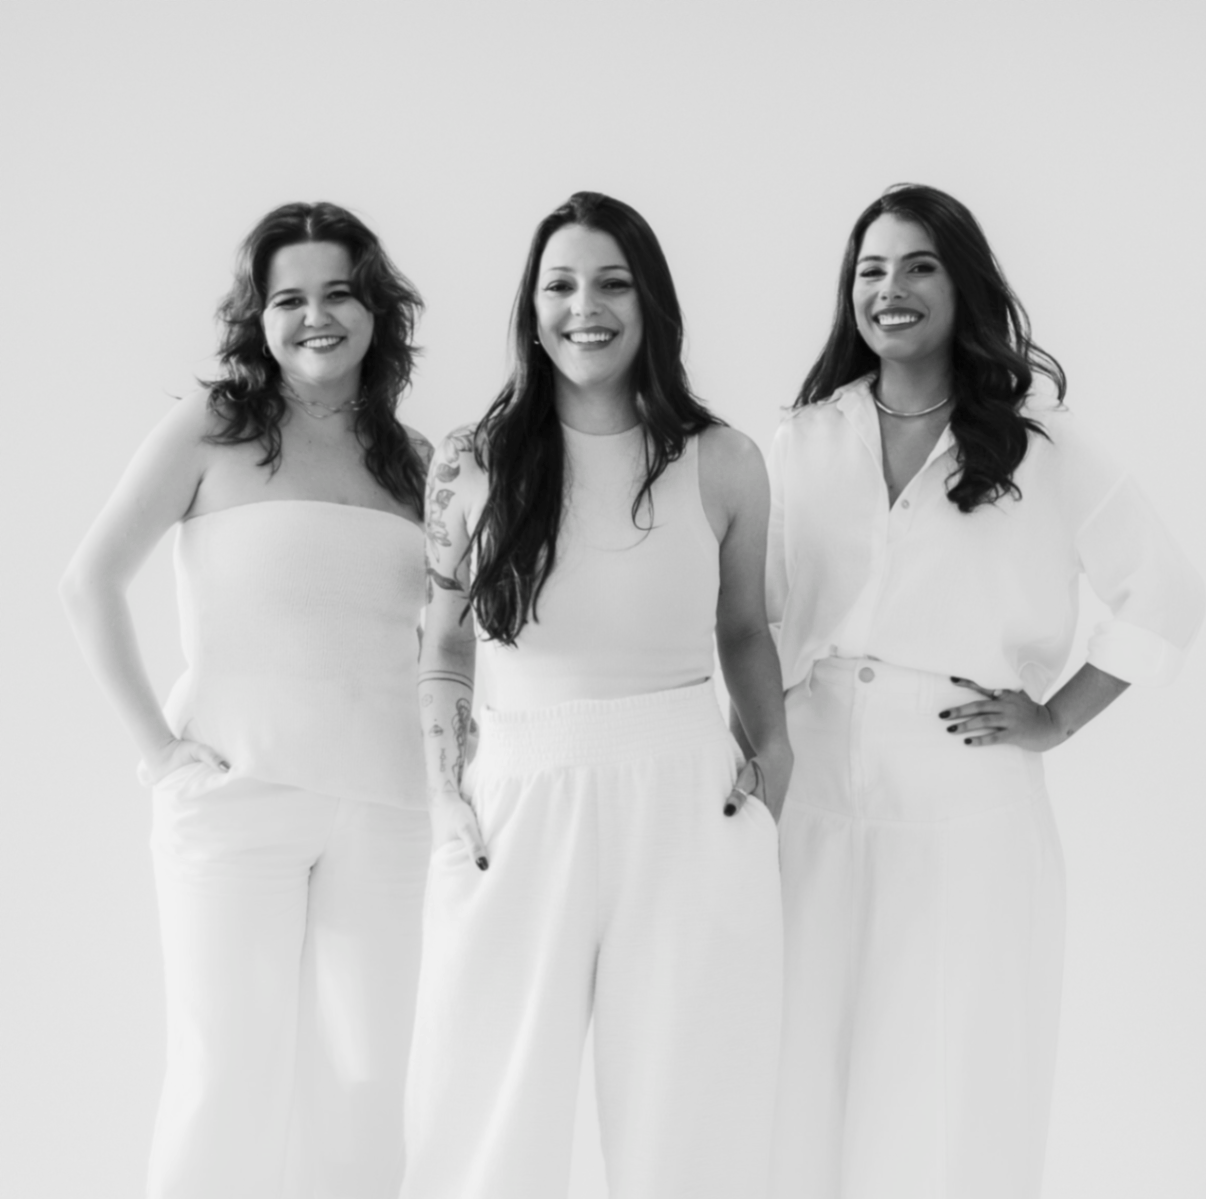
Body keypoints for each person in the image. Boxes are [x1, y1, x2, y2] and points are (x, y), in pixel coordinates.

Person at [763, 183, 1205, 1199]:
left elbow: (1166, 588)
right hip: (815, 779)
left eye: (919, 266)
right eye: (872, 269)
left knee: (952, 1075)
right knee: (799, 1065)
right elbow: (759, 613)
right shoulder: (805, 438)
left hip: (966, 788)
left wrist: (1057, 717)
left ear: (963, 284)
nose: (892, 288)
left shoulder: (1038, 444)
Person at [401, 191, 789, 1199]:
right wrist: (444, 796)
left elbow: (744, 629)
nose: (587, 307)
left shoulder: (724, 460)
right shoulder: (470, 463)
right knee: (483, 1113)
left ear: (652, 303)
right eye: (561, 285)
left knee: (691, 1119)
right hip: (513, 796)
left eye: (614, 283)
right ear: (531, 310)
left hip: (687, 796)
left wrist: (775, 756)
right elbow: (442, 644)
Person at [60, 202, 432, 1199]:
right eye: (288, 299)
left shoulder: (416, 461)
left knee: (368, 1081)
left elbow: (447, 643)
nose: (316, 316)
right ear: (258, 317)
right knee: (226, 1074)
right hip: (236, 799)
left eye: (339, 293)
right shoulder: (212, 425)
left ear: (376, 310)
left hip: (389, 806)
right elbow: (89, 582)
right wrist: (160, 751)